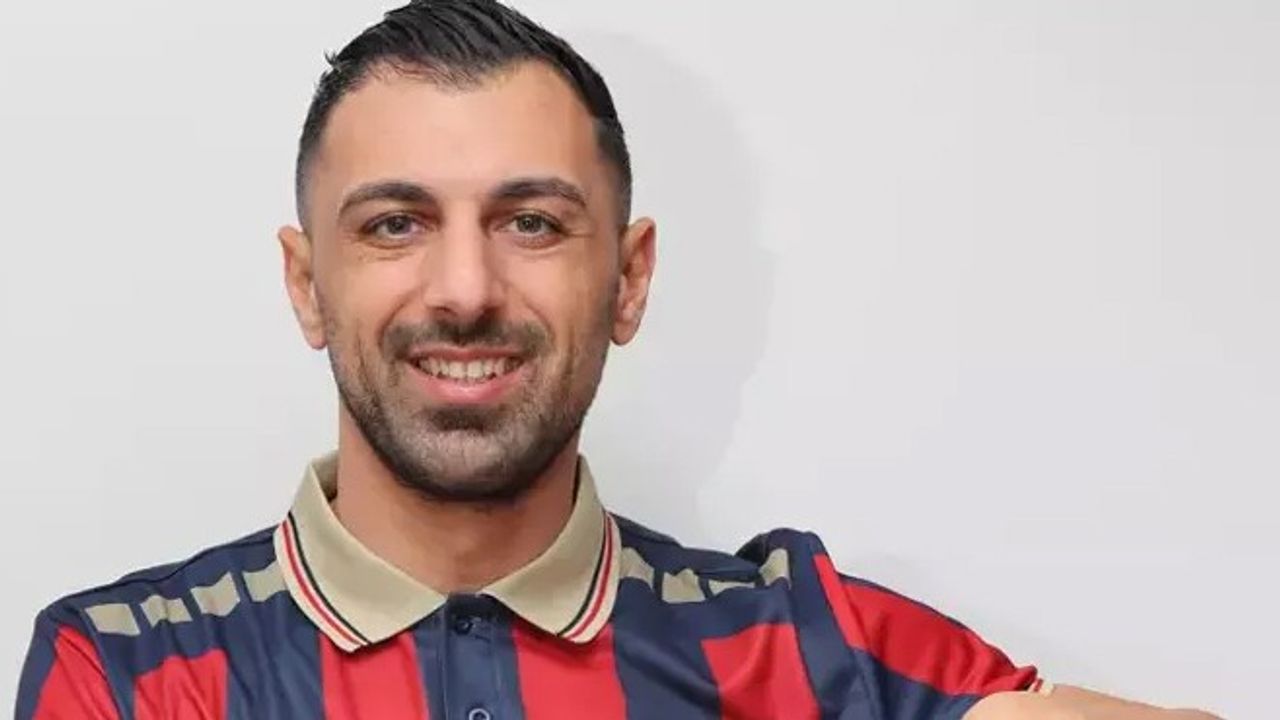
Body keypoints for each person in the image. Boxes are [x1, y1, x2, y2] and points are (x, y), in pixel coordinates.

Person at [15, 1, 1219, 718]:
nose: (465, 288)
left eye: (532, 222)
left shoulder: (809, 649)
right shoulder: (128, 673)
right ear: (305, 284)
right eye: (394, 224)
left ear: (629, 278)